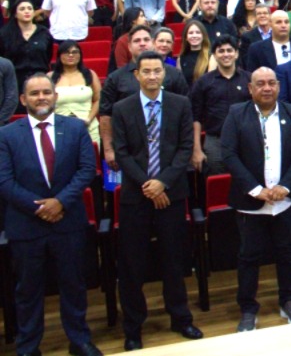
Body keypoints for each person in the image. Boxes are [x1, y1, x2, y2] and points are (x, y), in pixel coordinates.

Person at [0, 74, 102, 356]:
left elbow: (85, 170)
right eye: (35, 94)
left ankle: (79, 339)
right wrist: (40, 208)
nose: (41, 97)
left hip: (67, 220)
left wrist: (59, 202)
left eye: (47, 92)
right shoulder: (6, 135)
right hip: (25, 224)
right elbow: (4, 181)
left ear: (55, 96)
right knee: (28, 290)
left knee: (73, 283)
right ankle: (28, 346)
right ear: (23, 100)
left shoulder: (75, 129)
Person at [112, 51, 201, 350]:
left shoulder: (180, 104)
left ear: (164, 74)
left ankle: (181, 318)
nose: (152, 76)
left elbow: (185, 147)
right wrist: (148, 186)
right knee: (132, 265)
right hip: (135, 197)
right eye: (146, 71)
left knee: (174, 260)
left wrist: (162, 182)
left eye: (157, 71)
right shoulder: (122, 108)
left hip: (171, 195)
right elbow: (121, 153)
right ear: (136, 74)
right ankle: (133, 327)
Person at [221, 66, 291, 331]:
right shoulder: (237, 114)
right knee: (249, 256)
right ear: (250, 88)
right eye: (260, 83)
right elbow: (229, 154)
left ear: (278, 86)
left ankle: (289, 300)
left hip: (285, 200)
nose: (267, 88)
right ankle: (248, 308)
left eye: (271, 83)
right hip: (250, 203)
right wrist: (255, 189)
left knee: (287, 252)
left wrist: (286, 185)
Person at [99, 26, 189, 171]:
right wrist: (109, 149)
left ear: (153, 43)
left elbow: (185, 113)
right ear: (129, 46)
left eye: (146, 39)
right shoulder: (115, 78)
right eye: (137, 41)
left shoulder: (173, 74)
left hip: (169, 150)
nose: (142, 43)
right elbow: (105, 116)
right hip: (130, 151)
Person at [190, 35, 250, 176]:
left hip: (246, 141)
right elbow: (195, 117)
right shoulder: (203, 82)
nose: (226, 54)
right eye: (221, 51)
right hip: (215, 142)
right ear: (214, 55)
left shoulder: (249, 79)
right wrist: (197, 149)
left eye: (229, 50)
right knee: (218, 185)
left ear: (236, 54)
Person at [1, 0, 55, 99]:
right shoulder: (5, 34)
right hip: (14, 81)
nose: (27, 11)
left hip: (40, 79)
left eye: (30, 9)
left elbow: (47, 55)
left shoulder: (44, 32)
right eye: (22, 9)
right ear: (15, 14)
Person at [50, 41, 101, 141]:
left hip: (88, 126)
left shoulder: (90, 74)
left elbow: (98, 100)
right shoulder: (50, 77)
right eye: (66, 52)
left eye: (75, 52)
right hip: (59, 128)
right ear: (59, 56)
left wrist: (88, 120)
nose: (71, 55)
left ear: (80, 55)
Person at [178, 20, 217, 87]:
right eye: (191, 33)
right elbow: (180, 84)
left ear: (203, 36)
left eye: (198, 32)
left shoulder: (211, 57)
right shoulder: (181, 59)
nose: (194, 35)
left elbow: (211, 83)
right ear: (186, 37)